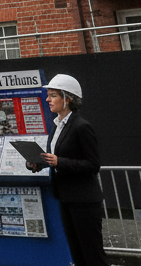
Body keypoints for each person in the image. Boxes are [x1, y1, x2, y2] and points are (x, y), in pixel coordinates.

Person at [27, 73, 110, 266]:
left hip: (84, 201)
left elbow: (92, 165)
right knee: (77, 253)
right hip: (65, 197)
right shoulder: (57, 126)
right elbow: (55, 158)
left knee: (93, 255)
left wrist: (60, 162)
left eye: (53, 95)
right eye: (48, 95)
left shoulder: (81, 127)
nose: (48, 99)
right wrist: (37, 163)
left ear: (67, 98)